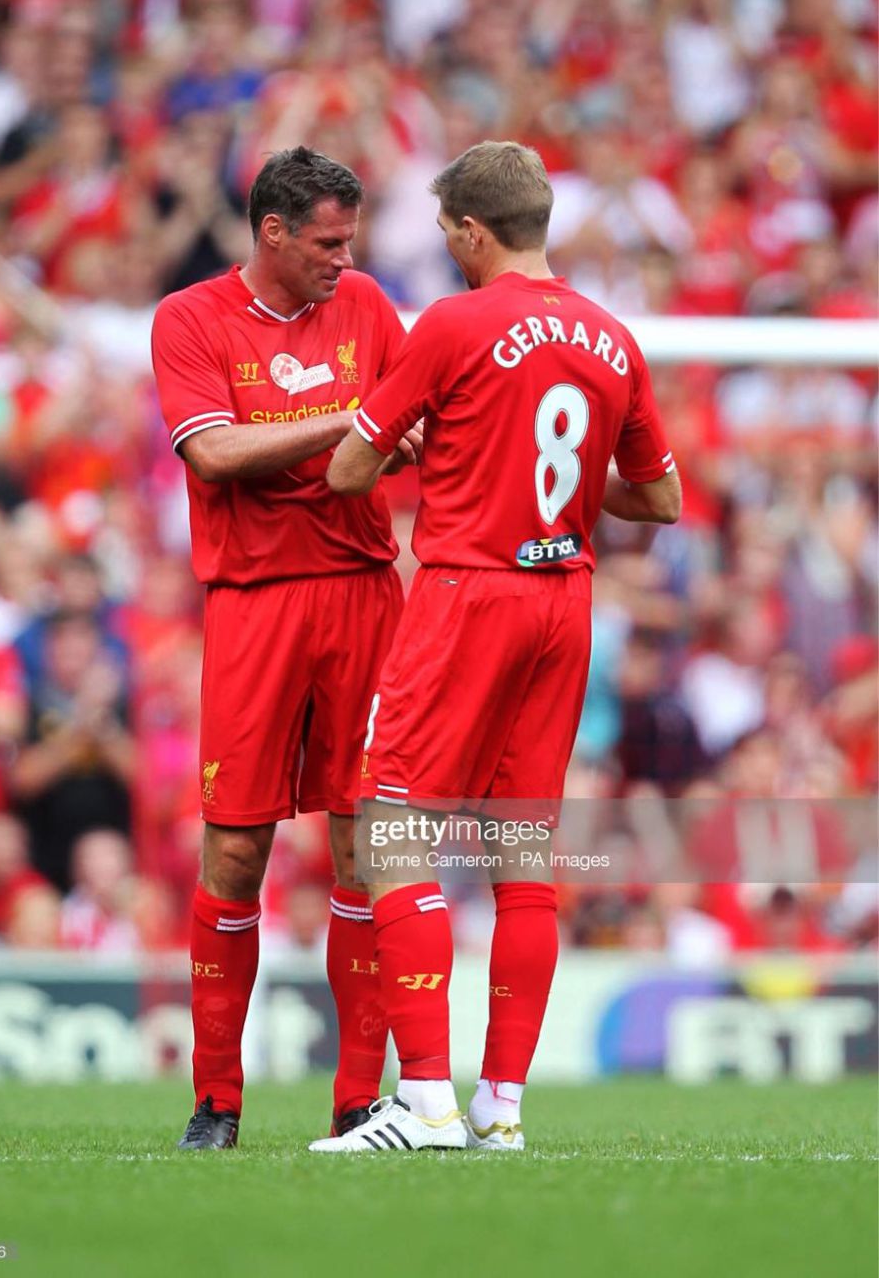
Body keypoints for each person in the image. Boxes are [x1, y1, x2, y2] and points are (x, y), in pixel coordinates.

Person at [313, 141, 681, 1153]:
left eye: (447, 233)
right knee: (524, 859)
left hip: (469, 592)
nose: (447, 249)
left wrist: (420, 445)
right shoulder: (612, 337)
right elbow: (662, 498)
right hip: (565, 601)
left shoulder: (455, 322)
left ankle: (425, 1099)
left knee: (393, 831)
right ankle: (500, 1110)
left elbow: (349, 471)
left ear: (473, 231)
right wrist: (540, 480)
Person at [151, 146, 421, 1150]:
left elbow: (410, 431)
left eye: (349, 242)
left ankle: (358, 1101)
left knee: (363, 840)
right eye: (325, 244)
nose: (342, 262)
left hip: (361, 595)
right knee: (235, 846)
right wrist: (346, 422)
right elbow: (212, 452)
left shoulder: (369, 311)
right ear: (271, 234)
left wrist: (406, 437)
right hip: (253, 604)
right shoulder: (189, 319)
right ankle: (216, 1100)